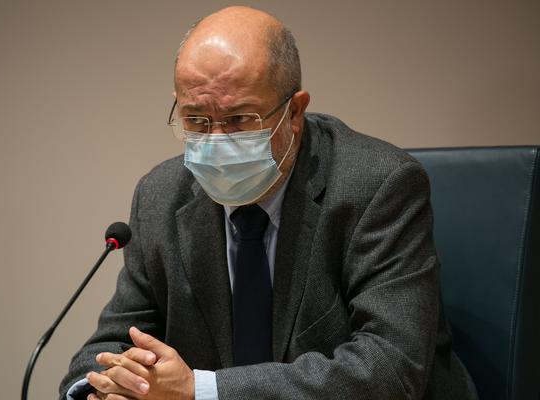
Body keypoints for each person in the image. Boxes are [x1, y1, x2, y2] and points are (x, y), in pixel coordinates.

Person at [60, 6, 478, 400]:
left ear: (294, 112)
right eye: (196, 120)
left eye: (240, 119)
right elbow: (107, 346)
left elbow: (390, 368)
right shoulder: (160, 197)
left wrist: (202, 390)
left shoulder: (377, 186)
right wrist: (104, 388)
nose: (216, 141)